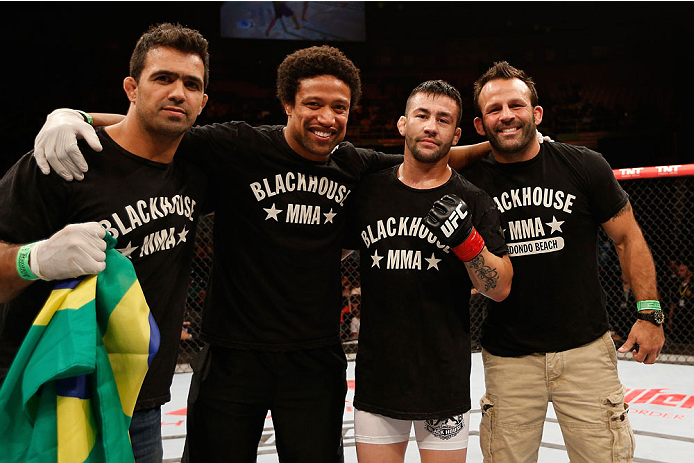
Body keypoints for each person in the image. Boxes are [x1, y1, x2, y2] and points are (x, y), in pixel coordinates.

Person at [31, 46, 493, 461]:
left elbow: (426, 155)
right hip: (233, 355)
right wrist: (76, 116)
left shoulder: (354, 162)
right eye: (313, 104)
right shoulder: (238, 144)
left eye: (339, 108)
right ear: (288, 104)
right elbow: (152, 128)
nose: (326, 118)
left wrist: (504, 146)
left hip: (313, 360)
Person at [0, 23, 211, 463]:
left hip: (141, 400)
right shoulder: (64, 159)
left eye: (191, 84)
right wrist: (33, 258)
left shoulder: (197, 167)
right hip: (49, 391)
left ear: (202, 102)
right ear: (131, 88)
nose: (178, 92)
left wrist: (77, 111)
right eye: (163, 78)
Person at [461, 61, 665, 462]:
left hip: (586, 352)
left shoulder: (584, 165)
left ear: (536, 114)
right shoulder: (470, 180)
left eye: (516, 106)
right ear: (479, 125)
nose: (507, 115)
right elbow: (420, 160)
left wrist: (650, 312)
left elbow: (628, 238)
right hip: (509, 359)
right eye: (494, 110)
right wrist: (491, 143)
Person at [344, 80, 513, 463]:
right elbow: (325, 255)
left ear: (456, 133)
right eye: (422, 115)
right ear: (403, 124)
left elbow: (500, 287)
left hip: (443, 378)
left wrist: (467, 241)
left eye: (443, 119)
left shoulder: (472, 199)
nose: (431, 126)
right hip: (378, 377)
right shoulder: (368, 192)